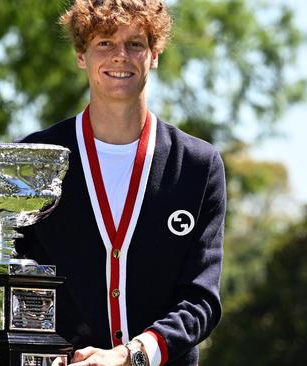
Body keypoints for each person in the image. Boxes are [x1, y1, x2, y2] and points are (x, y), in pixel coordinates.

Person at [17, 0, 226, 365]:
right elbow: (18, 277)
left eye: (135, 44)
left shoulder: (197, 165)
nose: (120, 56)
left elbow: (201, 300)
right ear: (81, 55)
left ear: (154, 54)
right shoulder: (37, 159)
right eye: (104, 43)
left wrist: (132, 355)